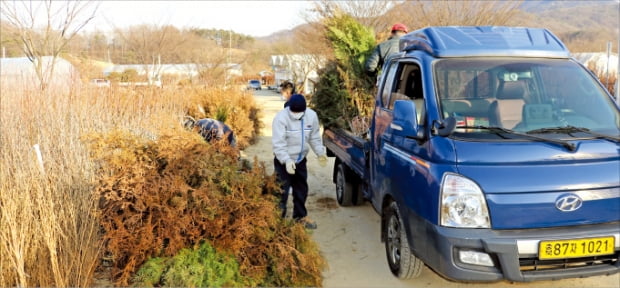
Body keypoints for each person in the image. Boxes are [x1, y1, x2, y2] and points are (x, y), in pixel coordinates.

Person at [272, 94, 328, 229]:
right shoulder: (281, 118)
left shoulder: (311, 116)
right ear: (289, 108)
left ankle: (300, 217)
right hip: (283, 161)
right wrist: (286, 161)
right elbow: (278, 144)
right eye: (294, 112)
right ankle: (277, 220)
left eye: (299, 112)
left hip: (300, 159)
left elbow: (314, 137)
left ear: (304, 109)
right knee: (281, 191)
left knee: (301, 189)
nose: (296, 114)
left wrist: (320, 152)